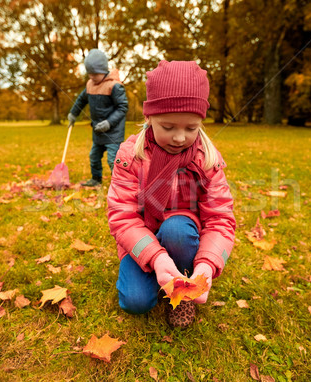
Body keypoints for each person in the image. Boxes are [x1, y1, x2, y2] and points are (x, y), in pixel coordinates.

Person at [107, 60, 236, 328]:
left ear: (201, 122)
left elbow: (221, 220)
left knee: (177, 228)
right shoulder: (131, 157)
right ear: (148, 117)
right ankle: (159, 276)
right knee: (136, 302)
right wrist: (156, 256)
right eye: (168, 127)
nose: (179, 138)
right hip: (143, 239)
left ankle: (183, 284)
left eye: (191, 128)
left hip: (183, 239)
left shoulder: (206, 160)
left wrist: (207, 266)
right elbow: (123, 217)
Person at [68, 49, 128, 187]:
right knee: (94, 157)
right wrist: (73, 114)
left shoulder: (115, 86)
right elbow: (81, 100)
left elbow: (122, 108)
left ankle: (120, 185)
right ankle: (96, 179)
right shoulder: (90, 85)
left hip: (113, 132)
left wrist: (108, 123)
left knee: (113, 160)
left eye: (95, 73)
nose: (92, 77)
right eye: (89, 73)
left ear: (104, 70)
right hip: (98, 131)